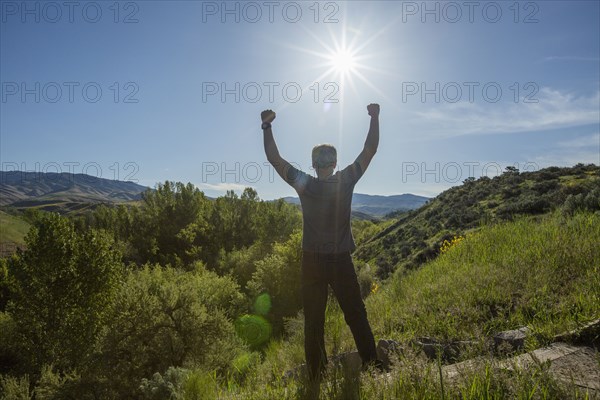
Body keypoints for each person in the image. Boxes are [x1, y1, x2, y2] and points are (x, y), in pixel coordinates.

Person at [260, 104, 382, 382]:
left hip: (311, 262)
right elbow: (370, 149)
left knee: (314, 323)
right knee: (356, 315)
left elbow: (274, 158)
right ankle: (372, 366)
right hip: (340, 259)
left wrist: (267, 126)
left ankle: (316, 376)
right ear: (334, 163)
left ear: (313, 165)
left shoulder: (305, 184)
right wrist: (374, 117)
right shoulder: (346, 179)